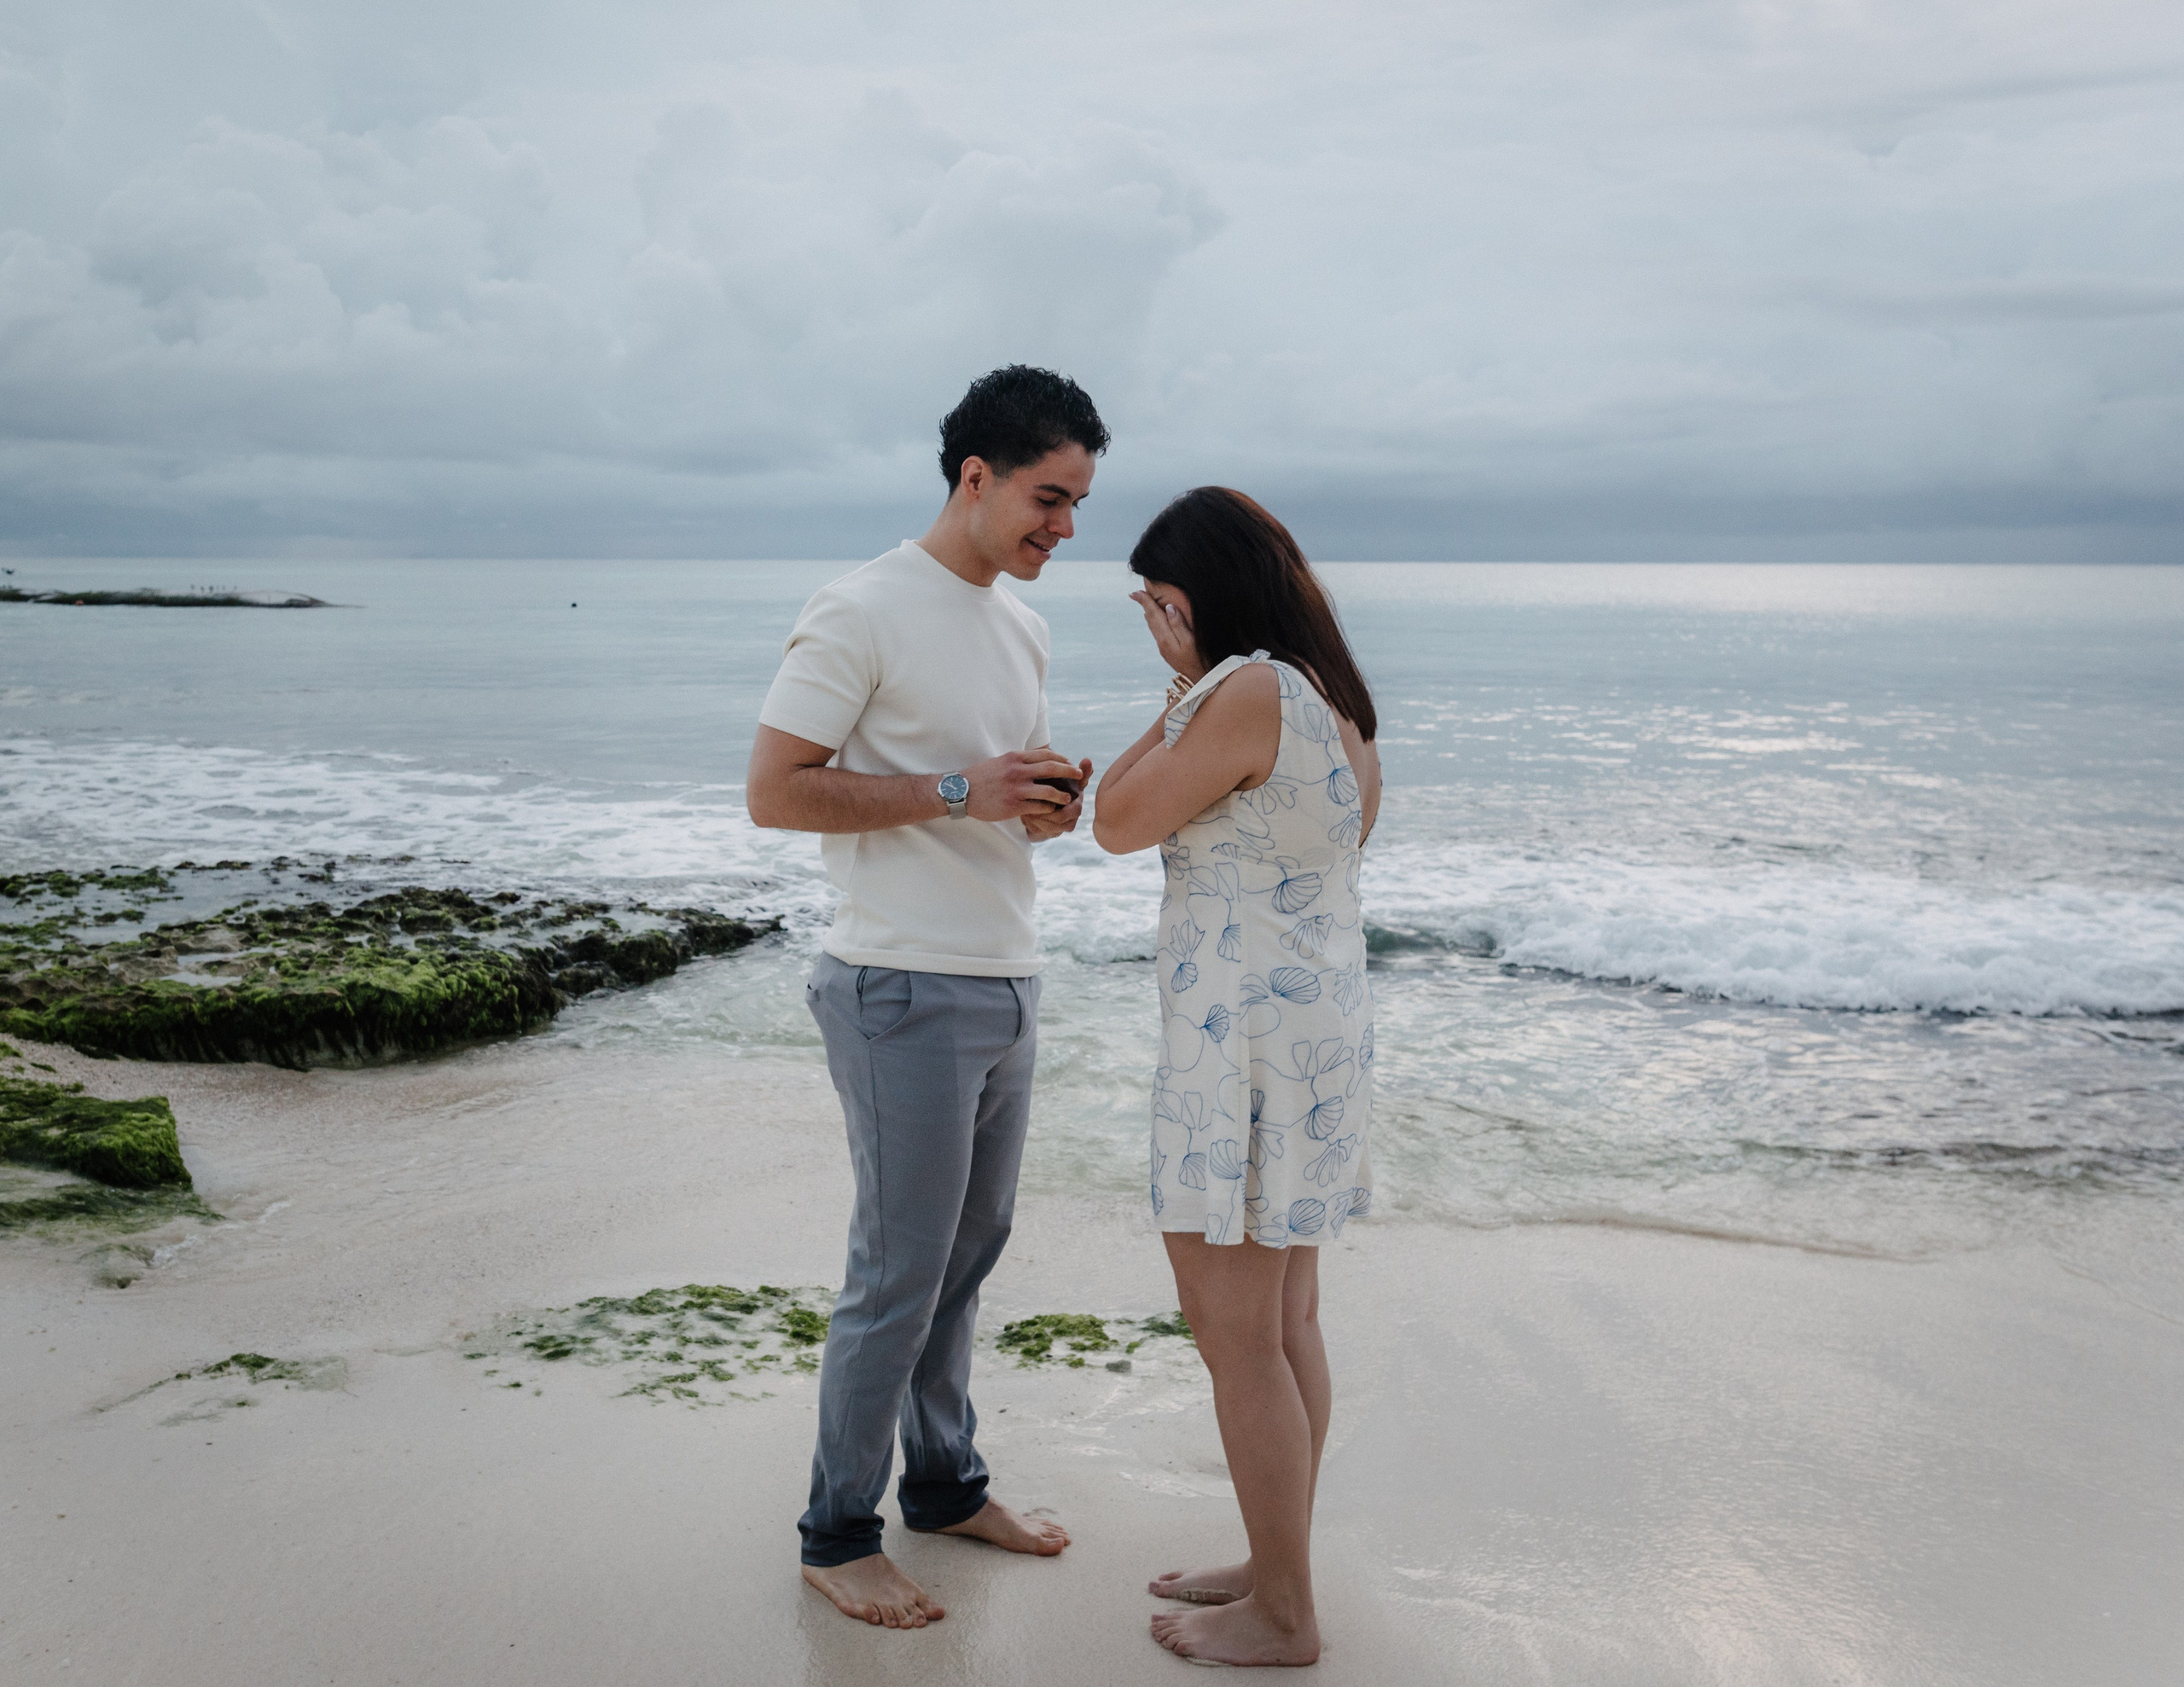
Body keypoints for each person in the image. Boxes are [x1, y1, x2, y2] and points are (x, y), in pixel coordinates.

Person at [746, 366, 1107, 1629]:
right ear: (975, 477)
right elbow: (777, 790)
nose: (1065, 529)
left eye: (1076, 505)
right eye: (1049, 500)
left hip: (1007, 974)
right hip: (896, 982)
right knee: (896, 1272)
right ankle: (836, 1530)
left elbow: (983, 795)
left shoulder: (1023, 624)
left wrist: (1036, 803)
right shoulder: (861, 608)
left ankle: (946, 1490)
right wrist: (961, 790)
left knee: (965, 1259)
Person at [1093, 486, 1381, 1668]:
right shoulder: (1336, 704)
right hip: (1308, 1044)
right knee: (1286, 1319)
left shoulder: (1244, 687)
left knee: (1235, 1334)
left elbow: (1112, 817)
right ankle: (1279, 1566)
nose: (1152, 624)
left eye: (1156, 604)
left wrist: (1180, 679)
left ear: (1190, 597)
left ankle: (1284, 1612)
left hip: (1240, 1057)